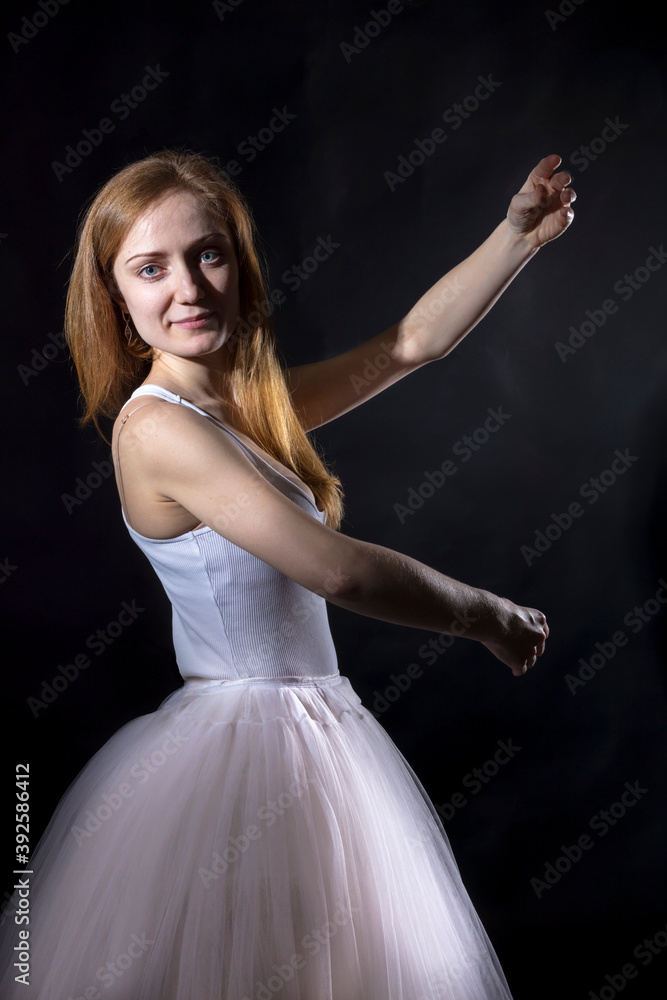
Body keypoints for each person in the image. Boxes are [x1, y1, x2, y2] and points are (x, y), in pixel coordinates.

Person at [0, 148, 574, 999]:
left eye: (208, 254)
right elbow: (334, 571)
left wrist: (515, 236)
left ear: (239, 267)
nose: (187, 288)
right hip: (245, 749)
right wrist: (484, 614)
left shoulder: (240, 408)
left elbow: (410, 344)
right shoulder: (156, 431)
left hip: (314, 728)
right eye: (150, 268)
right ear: (116, 301)